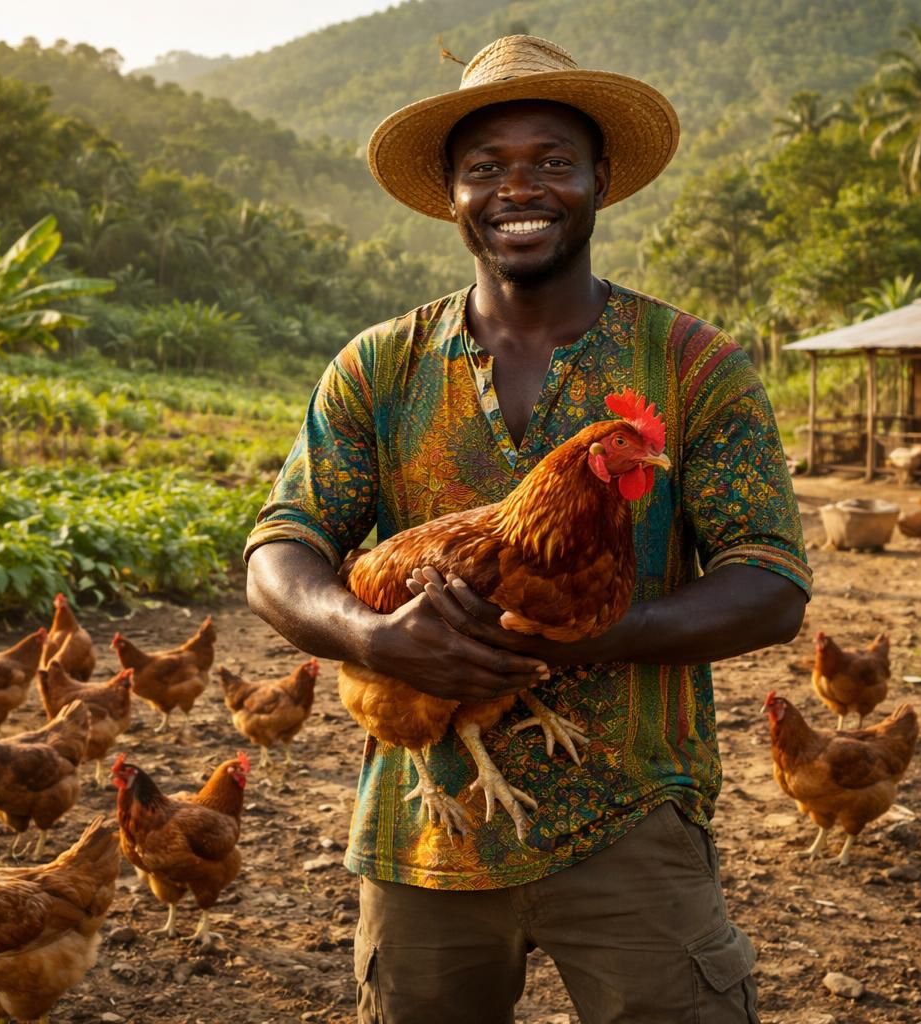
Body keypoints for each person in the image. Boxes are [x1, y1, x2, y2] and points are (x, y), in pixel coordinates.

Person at [243, 35, 810, 1024]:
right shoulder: (378, 367)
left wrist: (584, 632)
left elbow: (770, 579)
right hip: (431, 822)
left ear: (600, 181)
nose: (521, 188)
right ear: (453, 195)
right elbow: (280, 549)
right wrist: (370, 635)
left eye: (553, 161)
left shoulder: (691, 361)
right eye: (487, 168)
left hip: (632, 814)